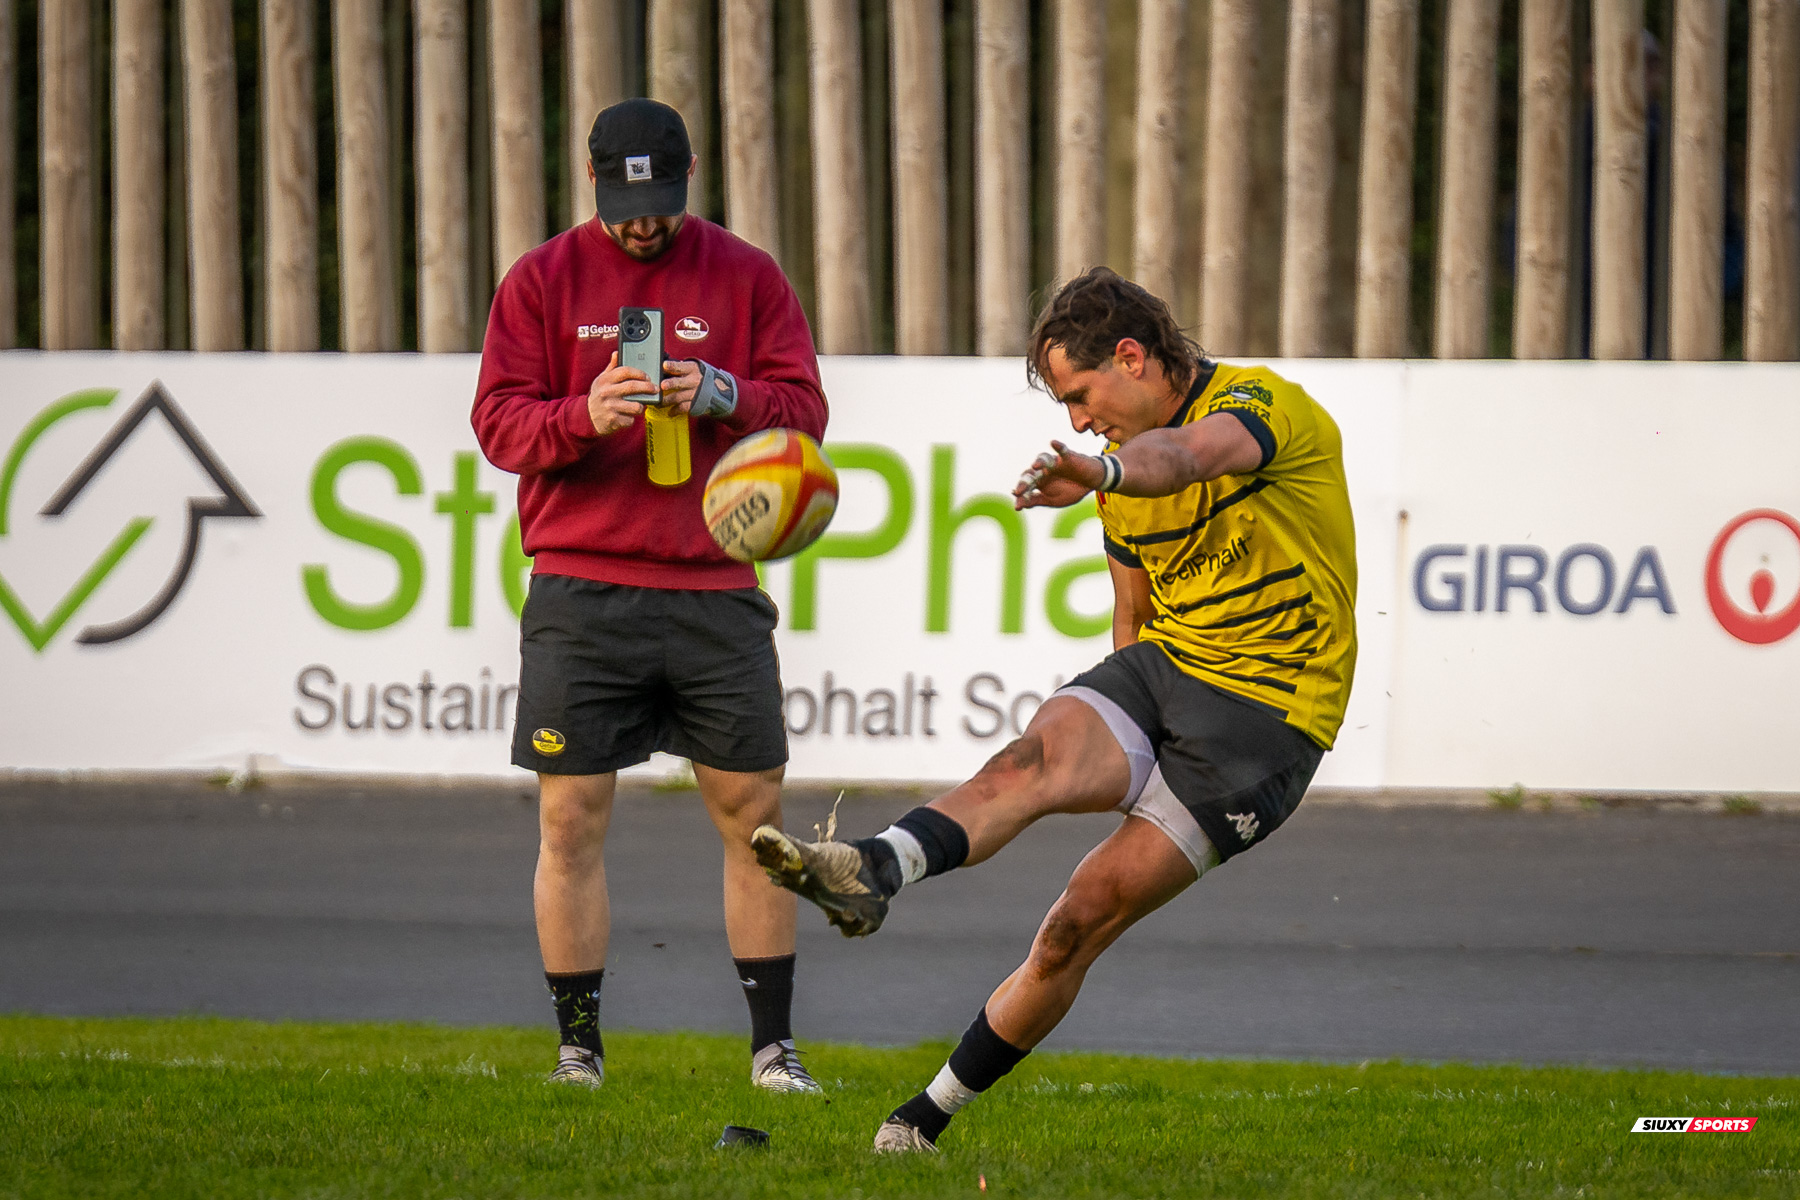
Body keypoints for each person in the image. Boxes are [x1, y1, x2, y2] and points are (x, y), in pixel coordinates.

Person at [752, 267, 1357, 1149]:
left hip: (1269, 719)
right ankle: (875, 870)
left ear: (1131, 355)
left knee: (1079, 919)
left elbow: (1186, 458)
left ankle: (926, 1117)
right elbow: (1133, 610)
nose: (1076, 419)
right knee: (1028, 761)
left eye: (1081, 395)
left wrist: (1104, 467)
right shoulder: (1116, 474)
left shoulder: (1262, 403)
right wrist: (1125, 729)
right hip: (1169, 669)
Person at [472, 98, 828, 1093]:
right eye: (627, 204)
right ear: (592, 182)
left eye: (662, 202)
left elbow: (806, 413)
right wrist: (580, 414)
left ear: (692, 176)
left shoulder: (748, 275)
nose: (644, 223)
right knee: (570, 822)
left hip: (716, 586)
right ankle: (578, 1050)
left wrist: (724, 393)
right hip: (582, 588)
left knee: (753, 816)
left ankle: (772, 1048)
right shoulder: (541, 280)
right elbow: (499, 424)